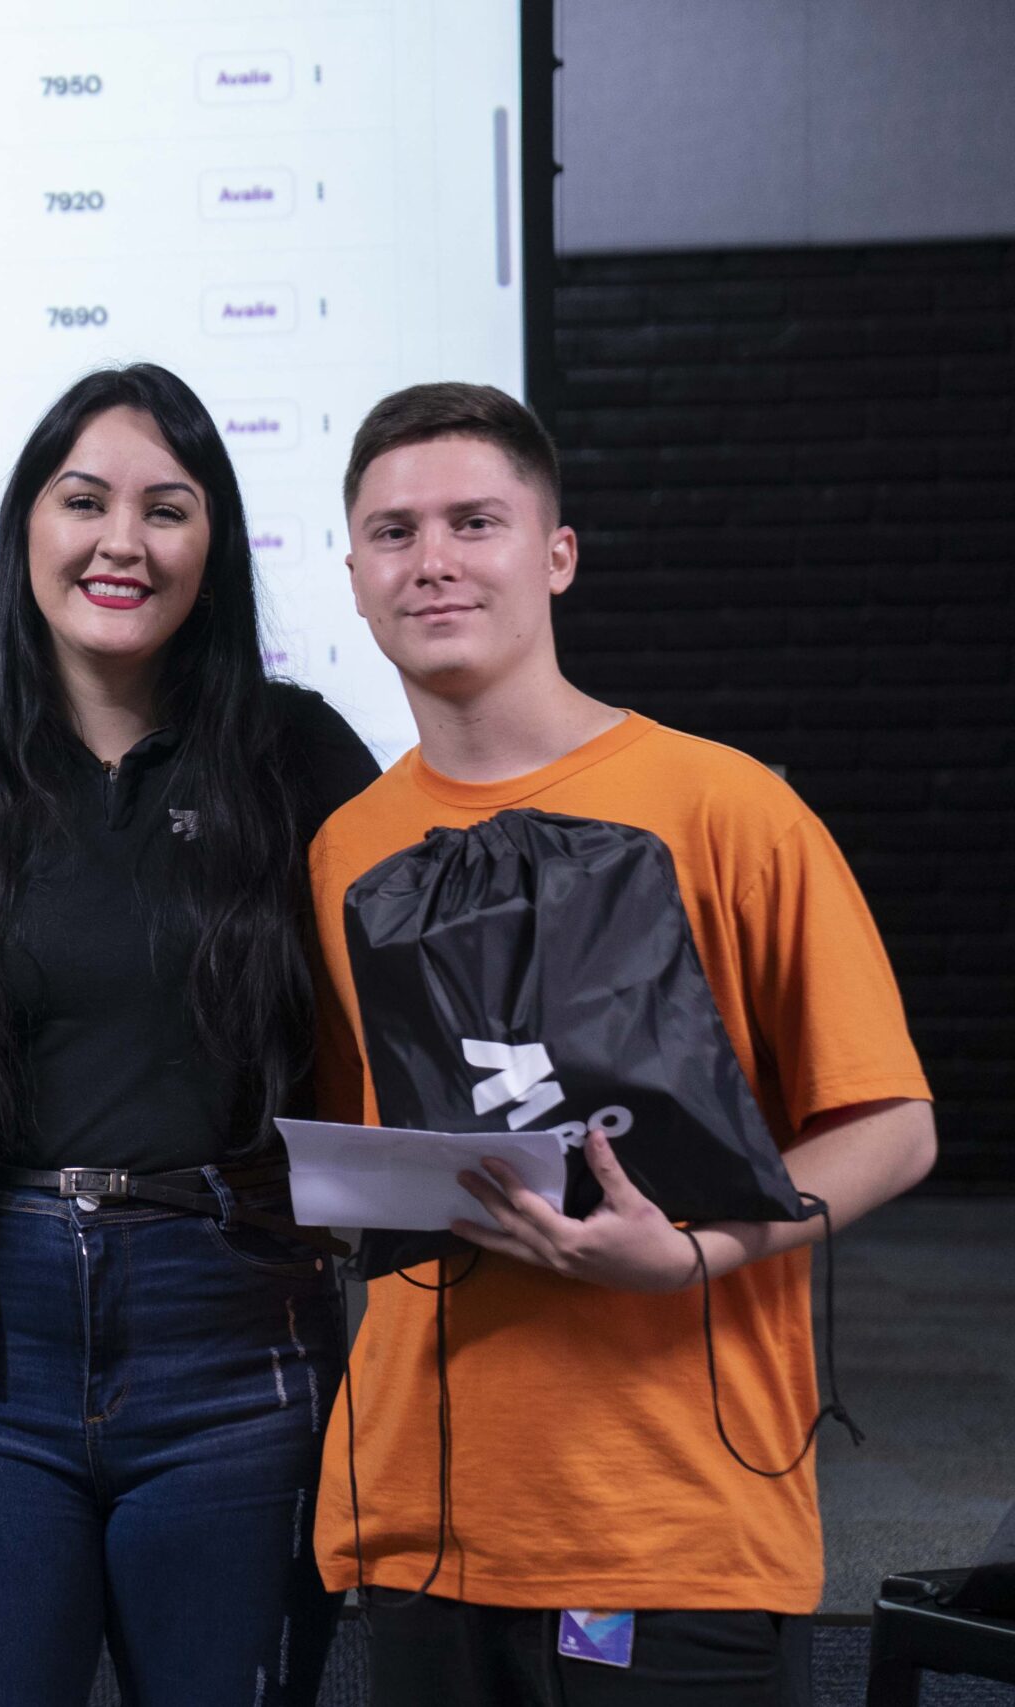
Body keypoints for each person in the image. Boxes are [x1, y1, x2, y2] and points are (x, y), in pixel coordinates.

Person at [311, 382, 937, 1706]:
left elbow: (893, 1125)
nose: (432, 559)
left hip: (674, 1520)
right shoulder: (346, 847)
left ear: (557, 555)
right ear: (356, 579)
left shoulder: (726, 806)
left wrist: (703, 1249)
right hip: (425, 1516)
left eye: (474, 521)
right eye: (392, 532)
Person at [0, 363, 379, 1707]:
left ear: (212, 547)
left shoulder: (301, 754)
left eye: (167, 507)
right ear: (26, 526)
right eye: (83, 499)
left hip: (238, 1311)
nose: (121, 541)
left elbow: (403, 1021)